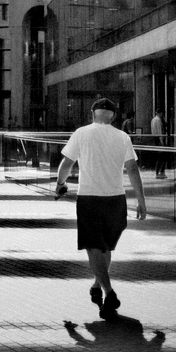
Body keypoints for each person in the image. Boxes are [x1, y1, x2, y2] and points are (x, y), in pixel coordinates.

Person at [54, 97, 146, 320]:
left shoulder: (81, 133)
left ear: (93, 112)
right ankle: (97, 284)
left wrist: (60, 184)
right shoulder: (122, 137)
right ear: (113, 115)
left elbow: (67, 163)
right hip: (116, 199)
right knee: (105, 248)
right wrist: (141, 200)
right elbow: (133, 169)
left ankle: (109, 292)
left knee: (93, 248)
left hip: (90, 198)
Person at [150, 108, 167, 178]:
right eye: (162, 113)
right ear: (160, 113)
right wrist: (162, 141)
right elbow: (159, 131)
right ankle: (160, 172)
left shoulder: (153, 119)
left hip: (155, 139)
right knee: (162, 156)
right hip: (159, 139)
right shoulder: (158, 120)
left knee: (160, 156)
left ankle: (159, 172)